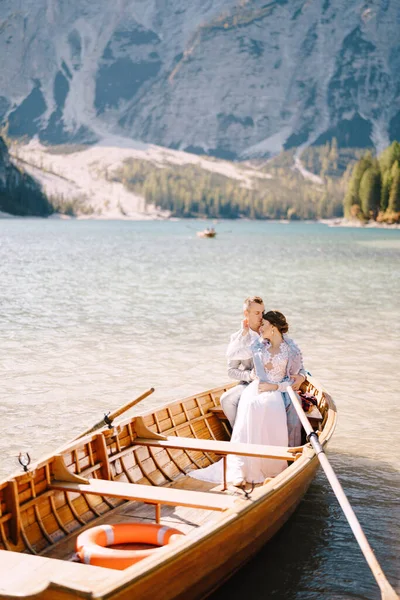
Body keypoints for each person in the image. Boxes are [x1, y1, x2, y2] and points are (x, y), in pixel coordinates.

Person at [190, 310, 305, 486]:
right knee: (252, 403)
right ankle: (243, 465)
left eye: (264, 324)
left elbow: (293, 378)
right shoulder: (259, 345)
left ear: (273, 327)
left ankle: (270, 464)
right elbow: (232, 354)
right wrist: (243, 333)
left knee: (269, 405)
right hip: (256, 386)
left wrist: (275, 386)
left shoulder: (291, 350)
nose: (260, 327)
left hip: (276, 389)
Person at [220, 296, 265, 427]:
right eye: (257, 313)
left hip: (272, 383)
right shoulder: (237, 338)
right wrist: (249, 376)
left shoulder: (269, 331)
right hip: (248, 383)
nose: (261, 316)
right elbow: (231, 371)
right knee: (226, 400)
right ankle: (238, 433)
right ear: (246, 314)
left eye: (263, 312)